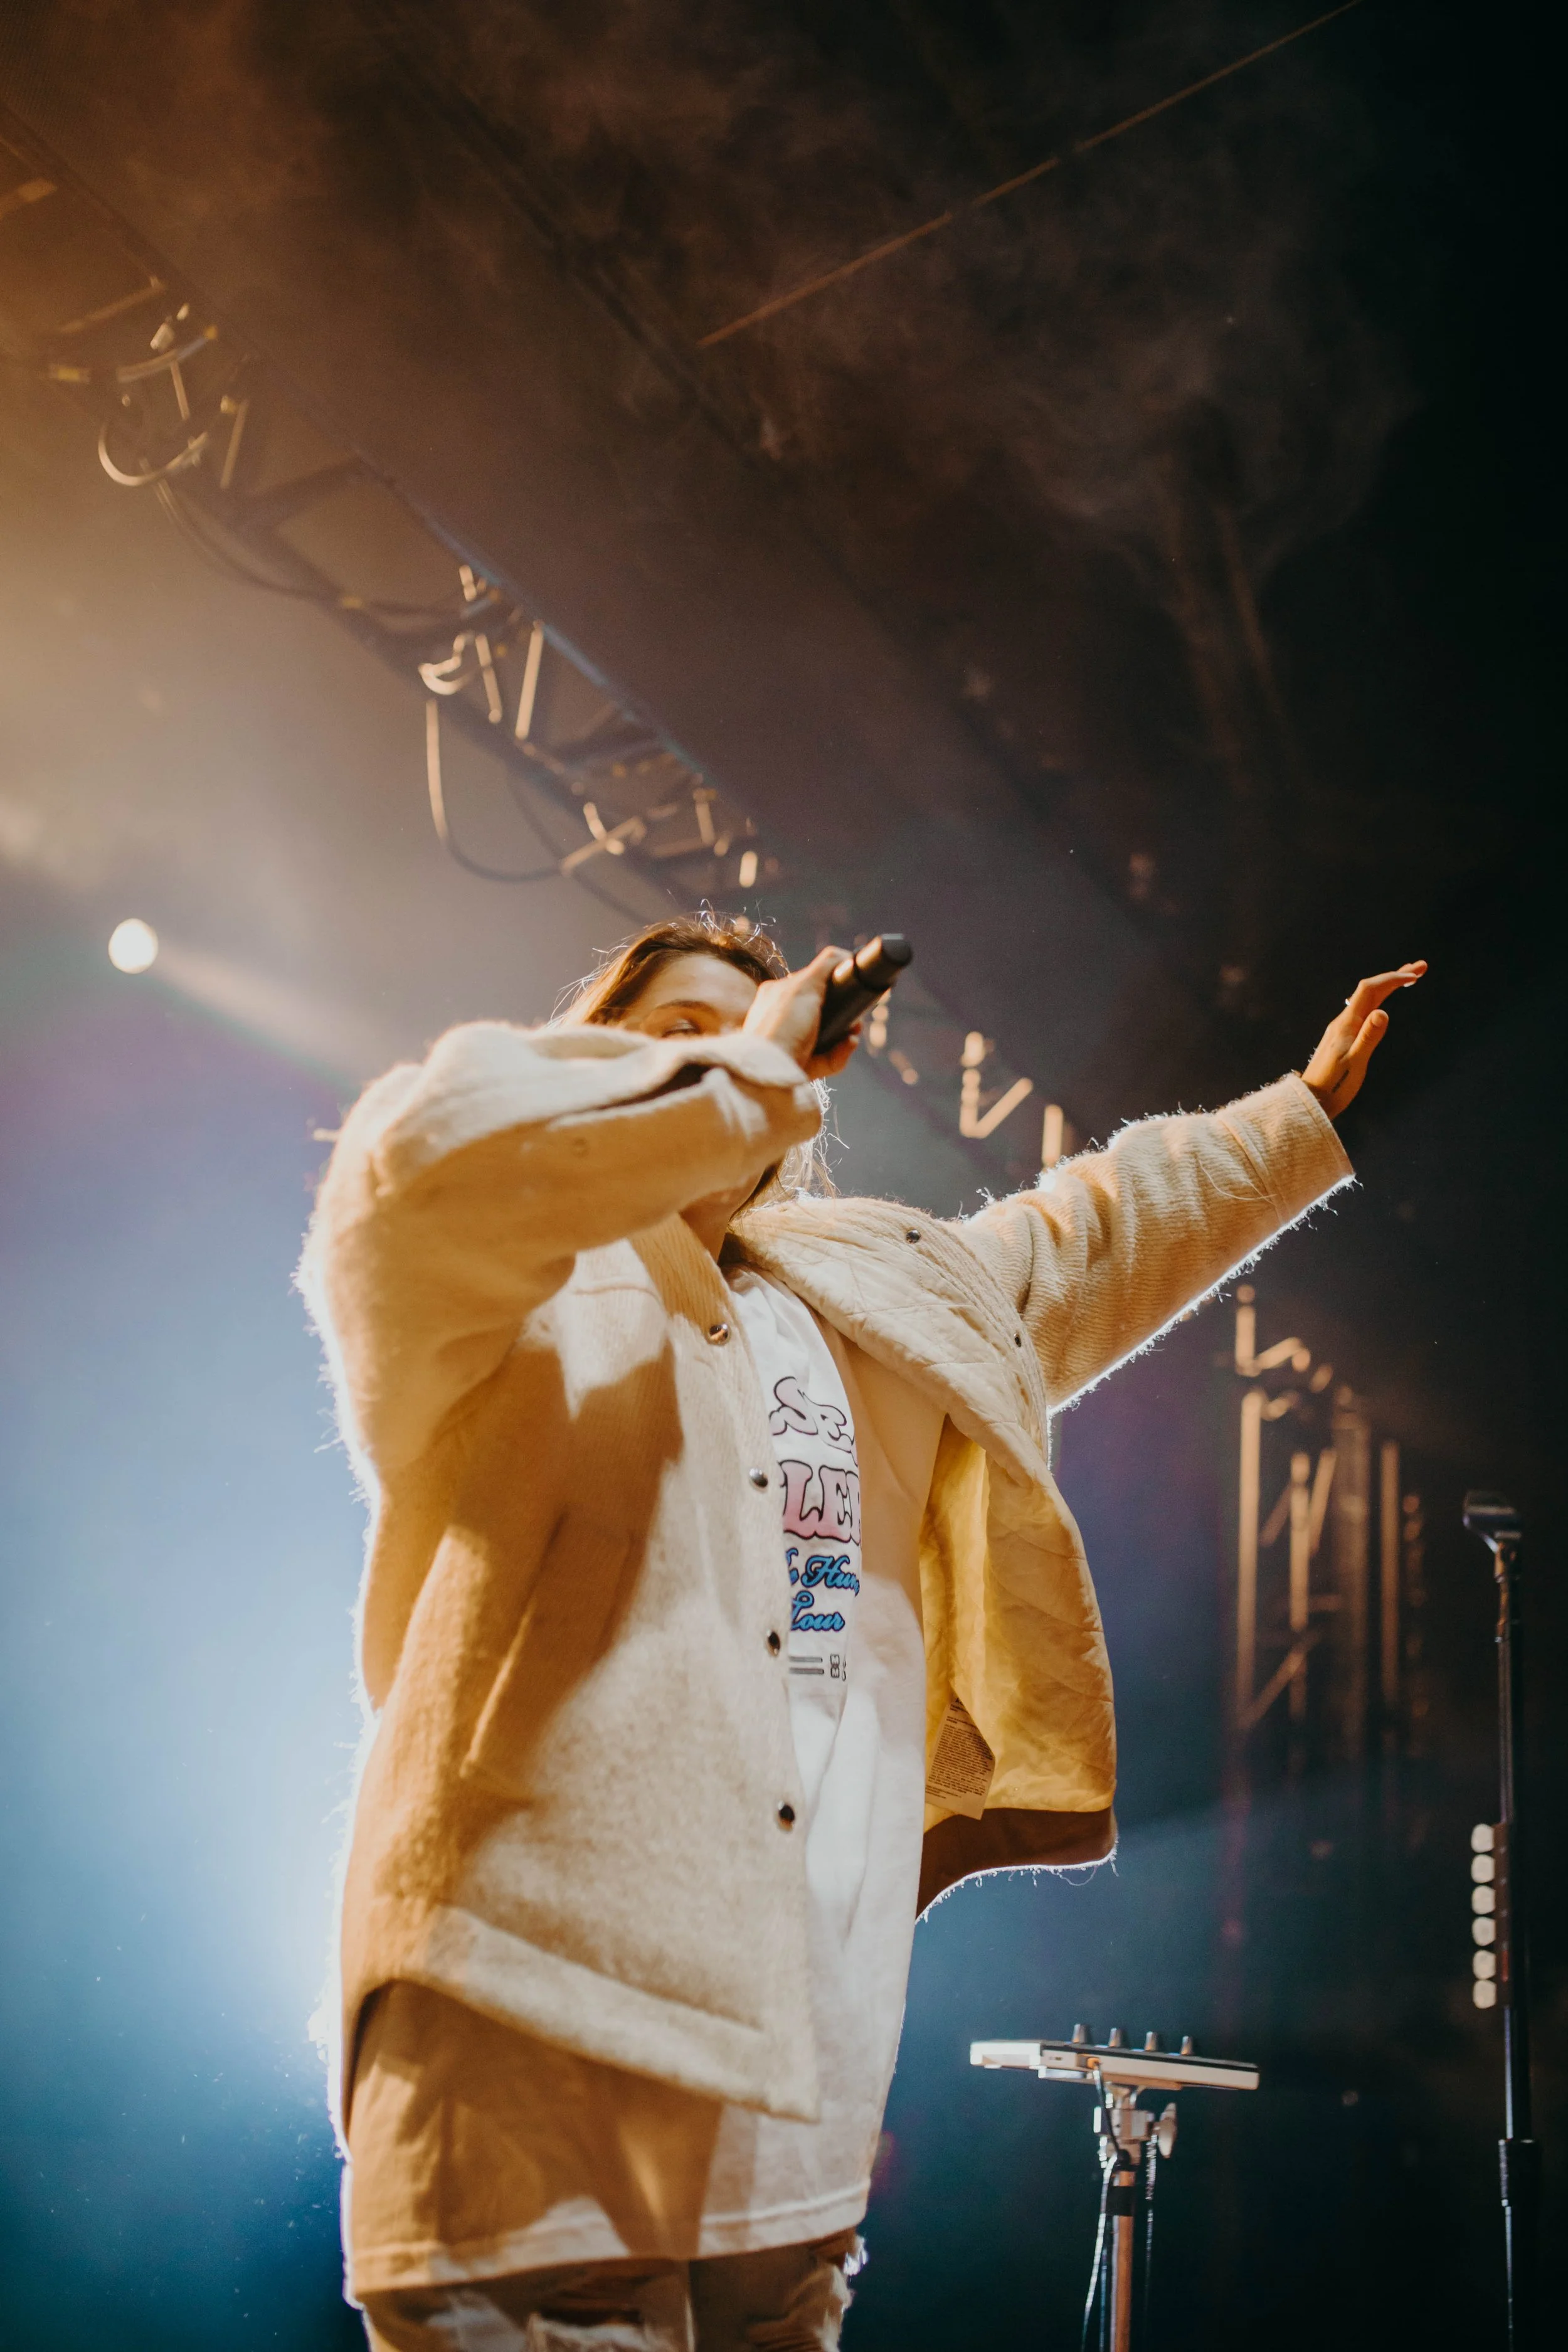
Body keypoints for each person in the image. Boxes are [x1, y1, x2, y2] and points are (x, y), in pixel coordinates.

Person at [299, 916, 1424, 2352]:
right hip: (529, 2049)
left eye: (749, 1021)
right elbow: (433, 1147)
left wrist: (1296, 1117)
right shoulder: (505, 1281)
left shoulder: (865, 1304)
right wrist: (748, 1059)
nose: (722, 1050)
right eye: (670, 1034)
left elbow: (1091, 1236)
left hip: (790, 2096)